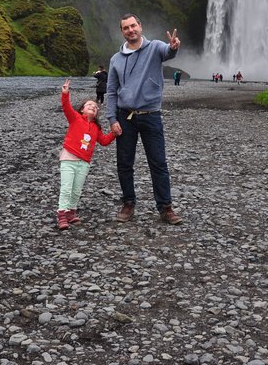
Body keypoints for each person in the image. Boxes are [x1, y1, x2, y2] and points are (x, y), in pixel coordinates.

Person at [106, 13, 183, 225]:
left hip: (151, 116)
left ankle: (165, 208)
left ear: (140, 26)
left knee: (158, 163)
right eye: (126, 28)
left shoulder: (155, 48)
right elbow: (111, 91)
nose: (131, 30)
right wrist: (112, 119)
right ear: (122, 32)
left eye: (133, 25)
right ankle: (128, 203)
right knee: (124, 163)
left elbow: (168, 52)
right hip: (125, 117)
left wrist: (174, 46)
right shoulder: (116, 60)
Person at [55, 79, 115, 230]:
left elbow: (104, 141)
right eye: (89, 105)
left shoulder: (96, 128)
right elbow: (66, 107)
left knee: (76, 190)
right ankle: (62, 215)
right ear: (82, 109)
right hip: (69, 159)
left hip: (84, 163)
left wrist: (114, 133)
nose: (93, 107)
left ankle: (71, 212)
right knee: (66, 188)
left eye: (95, 107)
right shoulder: (75, 118)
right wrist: (65, 93)